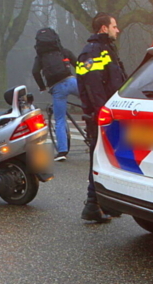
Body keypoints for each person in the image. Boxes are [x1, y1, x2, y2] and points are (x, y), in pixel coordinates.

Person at [75, 12, 127, 223]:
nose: (118, 29)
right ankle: (94, 204)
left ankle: (98, 204)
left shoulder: (105, 50)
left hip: (108, 114)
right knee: (99, 158)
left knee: (106, 157)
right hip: (102, 116)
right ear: (104, 28)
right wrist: (104, 115)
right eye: (114, 26)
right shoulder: (93, 52)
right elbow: (93, 86)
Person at [31, 27, 78, 161]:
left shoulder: (40, 57)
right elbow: (78, 65)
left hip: (56, 88)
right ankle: (92, 127)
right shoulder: (63, 51)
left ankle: (62, 152)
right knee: (91, 103)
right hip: (71, 82)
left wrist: (42, 87)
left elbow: (35, 72)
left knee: (60, 120)